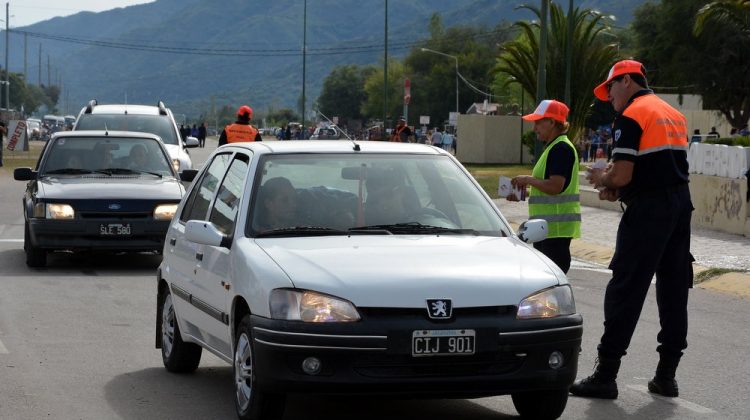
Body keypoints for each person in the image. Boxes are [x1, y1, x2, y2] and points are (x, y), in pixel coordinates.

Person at [570, 59, 693, 400]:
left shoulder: (633, 114)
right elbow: (656, 169)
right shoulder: (672, 114)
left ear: (626, 81)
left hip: (649, 212)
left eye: (610, 88)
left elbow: (622, 174)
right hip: (680, 206)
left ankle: (605, 374)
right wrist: (621, 188)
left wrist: (603, 180)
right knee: (673, 290)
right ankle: (666, 376)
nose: (608, 96)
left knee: (626, 286)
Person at [507, 99, 580, 274]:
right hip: (547, 230)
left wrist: (528, 179)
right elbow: (550, 187)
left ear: (552, 122)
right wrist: (524, 192)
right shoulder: (555, 147)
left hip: (554, 231)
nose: (535, 128)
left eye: (538, 122)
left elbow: (555, 187)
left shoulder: (560, 149)